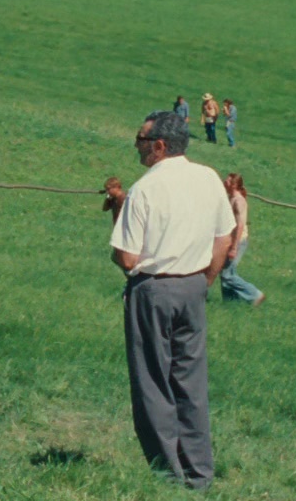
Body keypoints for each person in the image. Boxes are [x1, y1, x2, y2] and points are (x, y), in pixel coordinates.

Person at [110, 110, 237, 491]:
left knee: (153, 383)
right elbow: (223, 239)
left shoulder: (146, 189)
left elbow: (128, 257)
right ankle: (200, 475)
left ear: (160, 146)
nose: (136, 146)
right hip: (194, 288)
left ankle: (167, 476)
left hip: (153, 289)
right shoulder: (208, 178)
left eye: (140, 140)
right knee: (190, 384)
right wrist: (204, 281)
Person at [218, 174, 265, 306]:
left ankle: (255, 295)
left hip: (238, 241)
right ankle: (230, 303)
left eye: (226, 181)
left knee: (227, 274)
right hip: (230, 239)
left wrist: (234, 247)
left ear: (233, 185)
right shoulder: (231, 198)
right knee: (225, 271)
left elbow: (240, 225)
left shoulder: (238, 201)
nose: (224, 182)